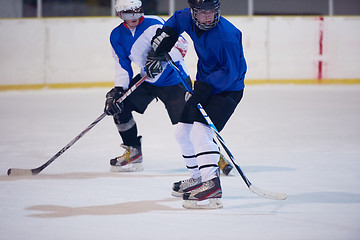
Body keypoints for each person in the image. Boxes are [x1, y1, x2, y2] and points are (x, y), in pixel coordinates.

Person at [105, 0, 233, 175]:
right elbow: (122, 65)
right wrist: (119, 89)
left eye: (137, 12)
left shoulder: (154, 24)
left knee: (191, 122)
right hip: (147, 80)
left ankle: (214, 155)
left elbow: (181, 46)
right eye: (128, 14)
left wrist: (162, 58)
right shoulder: (117, 35)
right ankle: (133, 150)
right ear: (120, 15)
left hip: (174, 80)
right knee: (120, 106)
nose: (134, 18)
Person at [146, 0, 247, 209]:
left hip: (227, 90)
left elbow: (232, 73)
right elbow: (175, 22)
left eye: (212, 12)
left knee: (200, 133)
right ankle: (199, 177)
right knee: (182, 132)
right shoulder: (188, 18)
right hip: (204, 84)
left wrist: (205, 87)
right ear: (194, 13)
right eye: (203, 13)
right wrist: (166, 36)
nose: (208, 17)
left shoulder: (228, 36)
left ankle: (212, 187)